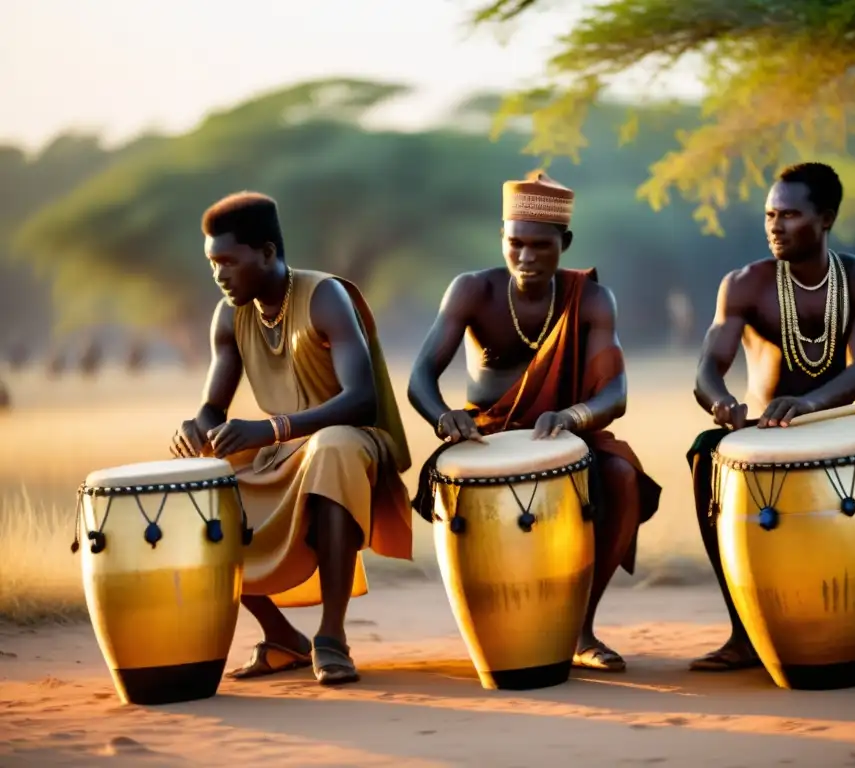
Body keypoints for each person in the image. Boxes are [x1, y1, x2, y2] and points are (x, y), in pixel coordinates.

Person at [407, 170, 662, 673]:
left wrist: (572, 416)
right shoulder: (472, 290)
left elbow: (616, 393)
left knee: (622, 476)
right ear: (501, 239)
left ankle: (581, 628)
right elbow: (419, 378)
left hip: (565, 434)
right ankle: (495, 631)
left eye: (540, 246)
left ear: (564, 243)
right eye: (514, 243)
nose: (525, 257)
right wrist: (445, 418)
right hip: (485, 437)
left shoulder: (590, 298)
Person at [169, 192, 414, 686]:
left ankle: (331, 637)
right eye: (212, 263)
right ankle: (281, 636)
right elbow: (213, 405)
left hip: (354, 440)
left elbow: (360, 399)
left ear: (265, 252)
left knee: (333, 448)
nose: (219, 275)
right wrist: (195, 427)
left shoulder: (325, 296)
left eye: (228, 262)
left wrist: (272, 428)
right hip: (286, 449)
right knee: (199, 487)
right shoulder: (229, 316)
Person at [688, 162, 855, 672]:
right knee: (703, 459)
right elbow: (708, 369)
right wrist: (721, 403)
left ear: (825, 218)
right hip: (762, 434)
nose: (775, 225)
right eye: (769, 214)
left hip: (838, 429)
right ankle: (743, 632)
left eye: (790, 214)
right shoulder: (744, 284)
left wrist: (809, 405)